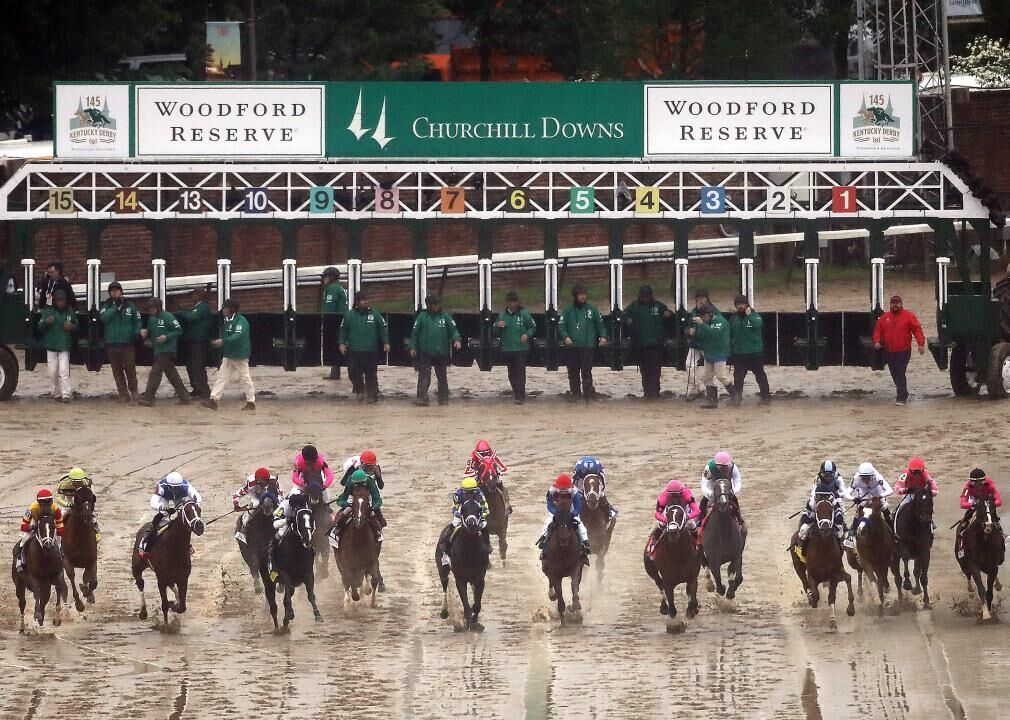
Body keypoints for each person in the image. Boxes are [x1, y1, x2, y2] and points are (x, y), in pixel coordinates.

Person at [872, 294, 926, 405]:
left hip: (903, 351)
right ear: (890, 304)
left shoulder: (909, 316)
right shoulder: (885, 317)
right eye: (893, 303)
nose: (895, 305)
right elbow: (877, 330)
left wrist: (920, 344)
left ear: (901, 304)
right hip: (889, 350)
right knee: (894, 372)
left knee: (900, 372)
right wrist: (877, 341)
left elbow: (917, 330)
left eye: (897, 303)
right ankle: (904, 393)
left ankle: (901, 397)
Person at [338, 288, 390, 403]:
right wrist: (341, 343)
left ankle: (372, 395)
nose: (366, 302)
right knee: (353, 372)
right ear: (357, 302)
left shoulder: (375, 314)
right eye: (363, 300)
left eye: (367, 300)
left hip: (370, 350)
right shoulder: (349, 315)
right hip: (353, 350)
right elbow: (343, 330)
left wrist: (386, 342)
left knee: (371, 373)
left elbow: (383, 328)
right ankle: (360, 389)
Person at [559, 283, 608, 402]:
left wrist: (603, 336)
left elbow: (600, 325)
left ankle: (588, 394)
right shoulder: (568, 310)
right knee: (573, 371)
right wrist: (565, 337)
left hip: (588, 345)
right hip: (572, 347)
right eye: (580, 294)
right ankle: (575, 393)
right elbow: (561, 326)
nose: (583, 297)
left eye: (584, 294)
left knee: (587, 370)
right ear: (575, 296)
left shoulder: (592, 309)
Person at [409, 294, 462, 406]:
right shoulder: (422, 317)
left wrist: (457, 340)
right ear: (428, 305)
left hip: (441, 351)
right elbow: (414, 334)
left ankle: (443, 399)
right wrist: (412, 347)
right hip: (425, 351)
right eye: (435, 304)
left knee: (442, 376)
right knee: (424, 375)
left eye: (438, 303)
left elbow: (454, 330)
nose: (437, 306)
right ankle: (422, 398)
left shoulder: (445, 316)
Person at [203, 298, 255, 411]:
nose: (222, 310)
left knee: (245, 378)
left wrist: (223, 341)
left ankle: (251, 401)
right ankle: (214, 400)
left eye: (225, 308)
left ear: (232, 309)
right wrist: (222, 344)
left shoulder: (241, 321)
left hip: (240, 355)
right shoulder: (227, 321)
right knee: (221, 377)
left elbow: (238, 336)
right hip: (229, 355)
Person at [137, 298, 190, 406]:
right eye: (149, 309)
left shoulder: (168, 316)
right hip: (158, 350)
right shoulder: (151, 319)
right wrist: (146, 335)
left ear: (158, 307)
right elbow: (151, 333)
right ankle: (185, 397)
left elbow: (178, 330)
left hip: (168, 350)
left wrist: (166, 337)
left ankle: (148, 398)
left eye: (153, 308)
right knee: (172, 375)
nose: (151, 310)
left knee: (155, 372)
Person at [623, 284, 672, 399]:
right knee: (644, 371)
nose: (645, 299)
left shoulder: (658, 306)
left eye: (647, 296)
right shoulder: (634, 306)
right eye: (643, 296)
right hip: (640, 345)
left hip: (656, 345)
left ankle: (655, 393)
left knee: (655, 371)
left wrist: (669, 315)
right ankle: (647, 393)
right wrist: (627, 321)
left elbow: (670, 315)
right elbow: (623, 315)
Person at [138, 471, 202, 559]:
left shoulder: (186, 487)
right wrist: (163, 508)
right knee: (164, 514)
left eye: (177, 488)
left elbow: (197, 498)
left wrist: (195, 506)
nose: (175, 491)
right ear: (168, 486)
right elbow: (153, 503)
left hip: (180, 498)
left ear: (181, 486)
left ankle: (186, 544)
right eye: (173, 488)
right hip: (165, 497)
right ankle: (146, 537)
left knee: (183, 516)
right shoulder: (161, 487)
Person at [795, 460, 852, 557]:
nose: (829, 478)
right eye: (826, 475)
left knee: (841, 529)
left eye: (831, 475)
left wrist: (839, 516)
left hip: (833, 498)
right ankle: (801, 552)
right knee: (803, 530)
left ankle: (842, 545)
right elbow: (813, 493)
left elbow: (845, 493)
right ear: (821, 474)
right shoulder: (817, 480)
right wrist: (806, 517)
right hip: (818, 500)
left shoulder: (838, 479)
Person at [99, 281, 142, 403]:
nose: (114, 292)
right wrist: (115, 307)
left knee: (130, 368)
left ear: (121, 291)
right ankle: (123, 394)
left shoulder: (130, 306)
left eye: (117, 290)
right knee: (117, 370)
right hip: (112, 343)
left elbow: (137, 321)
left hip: (127, 343)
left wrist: (136, 332)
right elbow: (104, 318)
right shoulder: (106, 306)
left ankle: (134, 392)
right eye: (112, 290)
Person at [535, 474, 590, 566]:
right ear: (557, 487)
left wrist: (572, 514)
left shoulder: (574, 491)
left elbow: (577, 506)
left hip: (570, 512)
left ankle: (585, 545)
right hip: (556, 512)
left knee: (581, 526)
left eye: (566, 489)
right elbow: (549, 506)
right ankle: (544, 544)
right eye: (561, 489)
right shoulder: (551, 491)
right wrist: (556, 513)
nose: (564, 490)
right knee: (548, 523)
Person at [437, 477, 492, 566]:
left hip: (476, 514)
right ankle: (445, 544)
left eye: (472, 491)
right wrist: (457, 514)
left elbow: (484, 506)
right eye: (467, 492)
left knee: (484, 525)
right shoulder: (458, 494)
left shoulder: (479, 493)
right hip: (462, 514)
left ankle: (487, 545)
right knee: (453, 525)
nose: (470, 494)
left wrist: (483, 514)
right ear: (463, 490)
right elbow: (455, 507)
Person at [494, 290, 537, 404]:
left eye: (514, 302)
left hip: (521, 349)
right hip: (507, 348)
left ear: (517, 302)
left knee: (520, 373)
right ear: (507, 303)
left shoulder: (524, 314)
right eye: (510, 302)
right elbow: (495, 332)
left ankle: (520, 396)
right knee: (511, 374)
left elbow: (533, 327)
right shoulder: (502, 315)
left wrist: (526, 335)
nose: (512, 304)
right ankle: (516, 392)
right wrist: (497, 326)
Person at [729, 294, 771, 405]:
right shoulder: (734, 318)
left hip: (754, 353)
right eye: (738, 304)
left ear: (747, 304)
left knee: (760, 375)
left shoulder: (755, 315)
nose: (740, 306)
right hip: (739, 353)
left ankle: (766, 397)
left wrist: (749, 316)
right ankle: (737, 398)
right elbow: (730, 333)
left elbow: (758, 325)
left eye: (742, 304)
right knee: (738, 377)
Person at [690, 303, 733, 409]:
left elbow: (714, 334)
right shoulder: (705, 323)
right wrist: (694, 333)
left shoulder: (721, 321)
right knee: (707, 377)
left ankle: (736, 395)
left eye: (703, 316)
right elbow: (702, 336)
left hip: (720, 352)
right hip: (709, 353)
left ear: (710, 314)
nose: (702, 319)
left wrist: (702, 325)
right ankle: (712, 400)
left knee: (721, 376)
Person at [645, 480, 700, 560]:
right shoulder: (663, 497)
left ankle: (698, 545)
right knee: (661, 525)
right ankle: (652, 546)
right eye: (672, 495)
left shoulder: (687, 494)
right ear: (668, 493)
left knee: (692, 524)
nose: (674, 497)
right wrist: (665, 519)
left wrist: (687, 517)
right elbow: (657, 514)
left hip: (684, 510)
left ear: (681, 492)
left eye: (677, 495)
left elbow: (696, 511)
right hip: (669, 511)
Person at [330, 469, 385, 548]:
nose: (359, 485)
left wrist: (373, 507)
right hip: (353, 500)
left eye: (362, 483)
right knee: (344, 513)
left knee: (374, 517)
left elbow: (376, 498)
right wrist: (347, 504)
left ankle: (378, 534)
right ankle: (336, 532)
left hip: (366, 501)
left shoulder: (369, 481)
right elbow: (343, 498)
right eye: (357, 484)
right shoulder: (350, 481)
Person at [38, 289, 77, 403]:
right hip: (51, 346)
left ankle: (66, 394)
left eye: (63, 300)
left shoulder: (70, 312)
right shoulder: (48, 311)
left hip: (64, 346)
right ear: (55, 301)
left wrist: (72, 327)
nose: (61, 303)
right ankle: (55, 392)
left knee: (64, 371)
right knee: (52, 372)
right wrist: (46, 322)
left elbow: (77, 325)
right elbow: (39, 326)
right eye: (58, 300)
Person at [955, 468, 1003, 560]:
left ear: (984, 481)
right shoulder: (967, 487)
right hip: (974, 503)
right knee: (963, 526)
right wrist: (974, 504)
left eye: (980, 484)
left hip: (986, 503)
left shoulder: (990, 485)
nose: (977, 486)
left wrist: (990, 503)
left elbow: (998, 501)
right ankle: (961, 546)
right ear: (971, 482)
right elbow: (963, 503)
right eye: (974, 484)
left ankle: (1001, 539)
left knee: (995, 521)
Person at [15, 489, 63, 573]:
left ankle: (61, 556)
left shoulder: (56, 509)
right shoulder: (32, 508)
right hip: (36, 523)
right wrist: (31, 527)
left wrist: (59, 532)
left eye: (48, 501)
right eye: (43, 502)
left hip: (49, 525)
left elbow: (60, 524)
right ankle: (19, 560)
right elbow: (23, 525)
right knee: (24, 539)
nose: (46, 504)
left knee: (60, 541)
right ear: (38, 502)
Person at [179, 284, 213, 400]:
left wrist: (181, 312)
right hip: (194, 341)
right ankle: (197, 388)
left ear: (199, 295)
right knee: (191, 365)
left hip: (200, 342)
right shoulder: (197, 307)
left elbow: (191, 317)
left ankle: (204, 390)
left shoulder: (203, 307)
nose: (192, 297)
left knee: (198, 366)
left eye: (194, 294)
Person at [268, 491, 311, 581]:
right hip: (286, 522)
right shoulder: (283, 507)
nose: (298, 508)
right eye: (296, 507)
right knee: (279, 535)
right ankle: (274, 569)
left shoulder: (305, 504)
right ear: (291, 505)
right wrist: (287, 520)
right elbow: (275, 524)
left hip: (299, 523)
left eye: (300, 506)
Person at [464, 439, 512, 515]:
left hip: (491, 474)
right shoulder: (473, 456)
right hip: (479, 475)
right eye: (482, 454)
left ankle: (506, 504)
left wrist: (497, 472)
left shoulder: (493, 454)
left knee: (500, 483)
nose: (485, 455)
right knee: (469, 487)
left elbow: (503, 468)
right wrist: (476, 472)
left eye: (487, 453)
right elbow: (466, 472)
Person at [685, 288, 717, 400]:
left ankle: (710, 390)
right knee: (689, 365)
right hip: (695, 343)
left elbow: (716, 327)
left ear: (707, 298)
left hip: (708, 343)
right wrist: (689, 331)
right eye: (698, 298)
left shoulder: (714, 310)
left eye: (703, 298)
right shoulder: (694, 311)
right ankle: (697, 387)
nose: (701, 300)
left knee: (710, 368)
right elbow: (688, 327)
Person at [232, 467, 283, 533]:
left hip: (272, 499)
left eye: (264, 483)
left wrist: (278, 506)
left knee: (281, 512)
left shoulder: (273, 481)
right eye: (260, 483)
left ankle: (283, 529)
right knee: (250, 513)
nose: (262, 485)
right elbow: (237, 494)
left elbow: (281, 496)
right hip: (256, 499)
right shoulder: (250, 482)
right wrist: (236, 504)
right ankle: (243, 532)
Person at [849, 462, 894, 534]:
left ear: (872, 475)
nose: (866, 480)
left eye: (868, 477)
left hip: (876, 490)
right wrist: (853, 498)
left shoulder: (878, 478)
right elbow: (847, 493)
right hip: (864, 491)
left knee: (885, 509)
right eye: (863, 478)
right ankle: (852, 534)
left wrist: (880, 496)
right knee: (859, 511)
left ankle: (892, 532)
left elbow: (890, 490)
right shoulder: (856, 479)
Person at [699, 451, 743, 522]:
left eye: (726, 466)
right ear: (716, 465)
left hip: (727, 489)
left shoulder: (733, 467)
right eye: (722, 467)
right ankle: (699, 519)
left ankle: (739, 518)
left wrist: (733, 491)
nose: (725, 469)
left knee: (735, 502)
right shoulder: (709, 468)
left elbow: (737, 480)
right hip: (713, 487)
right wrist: (711, 495)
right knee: (703, 503)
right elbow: (705, 485)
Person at [571, 455, 617, 523]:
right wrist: (579, 493)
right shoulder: (578, 471)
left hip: (595, 484)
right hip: (580, 485)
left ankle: (608, 511)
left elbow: (603, 483)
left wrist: (599, 492)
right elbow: (572, 483)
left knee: (602, 495)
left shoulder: (598, 470)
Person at [321, 266, 348, 381]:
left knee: (334, 345)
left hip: (336, 320)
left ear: (332, 277)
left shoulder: (332, 289)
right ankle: (335, 372)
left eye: (325, 277)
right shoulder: (341, 287)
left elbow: (329, 309)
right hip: (344, 319)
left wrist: (325, 322)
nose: (324, 279)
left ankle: (335, 373)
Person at [55, 467, 99, 532]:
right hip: (69, 502)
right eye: (75, 482)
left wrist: (89, 506)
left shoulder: (87, 483)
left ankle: (96, 532)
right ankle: (57, 537)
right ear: (71, 480)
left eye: (79, 482)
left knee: (93, 518)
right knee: (60, 518)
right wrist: (68, 504)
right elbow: (59, 498)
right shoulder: (63, 484)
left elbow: (91, 497)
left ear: (82, 480)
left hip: (82, 502)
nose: (77, 485)